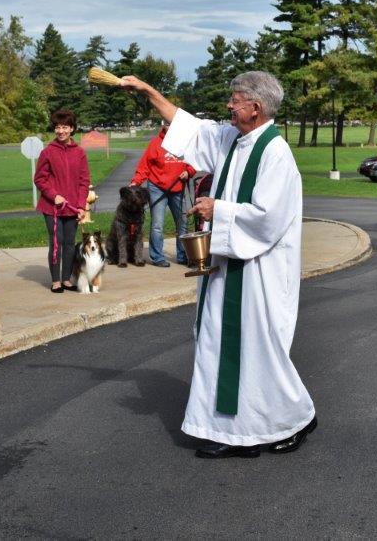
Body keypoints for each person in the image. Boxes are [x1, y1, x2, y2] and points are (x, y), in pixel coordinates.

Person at [118, 71, 316, 458]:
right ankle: (234, 431)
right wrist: (146, 91)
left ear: (255, 108)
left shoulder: (275, 153)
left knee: (260, 351)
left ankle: (296, 417)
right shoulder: (232, 139)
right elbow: (187, 126)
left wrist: (217, 209)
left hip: (258, 272)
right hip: (228, 268)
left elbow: (268, 218)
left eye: (235, 99)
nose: (229, 105)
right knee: (218, 343)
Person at [33, 109, 89, 293]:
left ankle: (66, 279)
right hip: (52, 207)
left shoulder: (79, 152)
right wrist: (53, 195)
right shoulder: (48, 152)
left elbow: (84, 181)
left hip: (72, 207)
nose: (61, 131)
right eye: (57, 127)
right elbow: (39, 179)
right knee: (56, 241)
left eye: (65, 127)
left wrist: (81, 206)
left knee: (69, 242)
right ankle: (56, 280)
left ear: (72, 129)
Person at [130, 124, 195, 267]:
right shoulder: (155, 143)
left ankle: (183, 255)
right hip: (157, 187)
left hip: (178, 187)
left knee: (183, 223)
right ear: (162, 124)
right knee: (157, 225)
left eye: (172, 122)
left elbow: (194, 161)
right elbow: (144, 166)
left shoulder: (185, 142)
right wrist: (135, 182)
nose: (169, 125)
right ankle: (157, 257)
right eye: (166, 122)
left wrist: (189, 172)